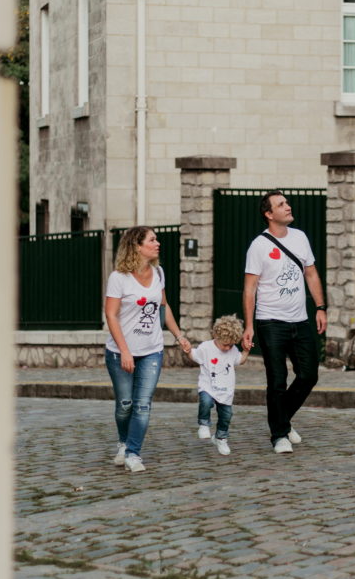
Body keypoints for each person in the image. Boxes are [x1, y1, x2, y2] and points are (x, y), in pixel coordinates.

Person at [241, 190, 327, 454]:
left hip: (300, 320)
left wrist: (321, 307)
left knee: (308, 375)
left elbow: (311, 274)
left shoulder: (300, 237)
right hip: (270, 322)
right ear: (269, 214)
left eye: (287, 203)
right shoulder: (259, 246)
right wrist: (249, 325)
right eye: (281, 204)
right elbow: (250, 288)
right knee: (277, 380)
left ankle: (282, 420)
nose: (288, 207)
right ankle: (279, 435)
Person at [104, 225, 190, 472]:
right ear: (137, 246)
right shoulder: (118, 278)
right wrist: (125, 351)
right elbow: (111, 315)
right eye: (152, 240)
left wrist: (179, 335)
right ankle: (123, 441)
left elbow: (164, 307)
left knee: (143, 404)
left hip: (152, 349)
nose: (158, 243)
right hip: (120, 352)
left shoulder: (159, 272)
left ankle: (133, 453)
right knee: (125, 404)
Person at [189, 315, 251, 456]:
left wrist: (246, 351)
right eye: (225, 344)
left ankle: (220, 438)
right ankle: (204, 424)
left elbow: (239, 360)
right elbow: (195, 356)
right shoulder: (206, 348)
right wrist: (187, 350)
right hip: (208, 386)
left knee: (226, 415)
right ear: (217, 335)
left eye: (231, 345)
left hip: (226, 390)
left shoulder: (233, 349)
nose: (227, 348)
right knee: (205, 401)